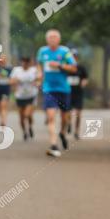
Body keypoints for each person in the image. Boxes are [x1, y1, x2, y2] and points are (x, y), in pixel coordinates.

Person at [37, 29, 77, 158]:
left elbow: (73, 68)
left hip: (63, 89)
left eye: (55, 37)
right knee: (51, 117)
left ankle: (63, 133)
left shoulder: (65, 52)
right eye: (50, 37)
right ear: (47, 39)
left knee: (65, 118)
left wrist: (59, 66)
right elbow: (39, 65)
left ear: (59, 39)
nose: (52, 39)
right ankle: (53, 144)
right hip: (49, 89)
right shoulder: (42, 51)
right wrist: (39, 74)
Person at [10, 56, 40, 141]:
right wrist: (16, 81)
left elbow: (39, 79)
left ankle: (30, 126)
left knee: (28, 115)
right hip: (20, 96)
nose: (24, 64)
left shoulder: (33, 70)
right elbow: (11, 81)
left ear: (29, 63)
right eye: (23, 62)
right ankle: (24, 132)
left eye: (26, 62)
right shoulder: (16, 70)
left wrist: (37, 82)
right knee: (21, 117)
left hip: (31, 95)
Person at [66, 49, 88, 139]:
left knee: (78, 114)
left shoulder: (81, 68)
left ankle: (77, 131)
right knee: (68, 113)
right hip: (68, 93)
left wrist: (84, 83)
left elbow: (85, 78)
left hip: (78, 93)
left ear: (77, 57)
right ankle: (69, 123)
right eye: (71, 56)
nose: (73, 58)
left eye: (74, 56)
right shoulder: (66, 67)